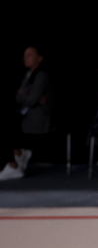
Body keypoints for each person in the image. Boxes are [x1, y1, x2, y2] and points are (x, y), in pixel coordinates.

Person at [0, 46, 53, 181]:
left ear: (39, 58)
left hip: (37, 117)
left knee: (8, 125)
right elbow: (18, 97)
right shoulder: (27, 75)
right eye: (24, 55)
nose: (25, 58)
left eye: (29, 55)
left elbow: (31, 100)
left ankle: (13, 164)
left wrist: (26, 97)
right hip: (25, 114)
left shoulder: (42, 75)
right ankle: (18, 154)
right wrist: (27, 97)